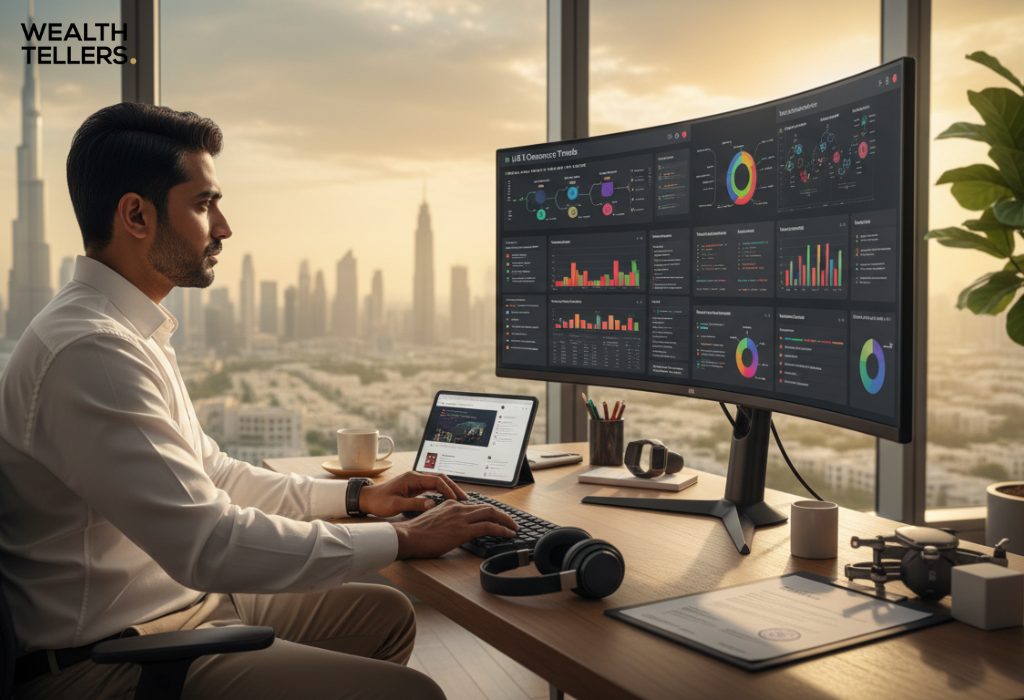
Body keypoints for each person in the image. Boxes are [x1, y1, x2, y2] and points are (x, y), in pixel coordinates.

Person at [0, 102, 518, 699]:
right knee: (413, 695)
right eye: (203, 204)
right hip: (109, 655)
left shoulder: (126, 330)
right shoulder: (91, 351)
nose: (223, 227)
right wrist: (404, 537)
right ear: (136, 215)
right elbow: (209, 542)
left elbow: (214, 474)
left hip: (177, 606)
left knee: (383, 614)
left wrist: (360, 496)